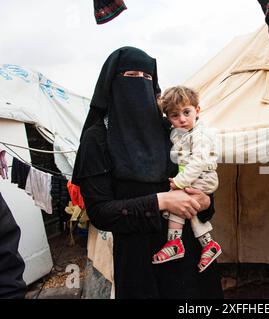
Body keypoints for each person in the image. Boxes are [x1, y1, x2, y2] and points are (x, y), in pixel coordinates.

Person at [72, 47, 223, 299]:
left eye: (147, 78)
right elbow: (100, 212)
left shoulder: (172, 131)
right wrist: (161, 200)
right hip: (139, 260)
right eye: (131, 76)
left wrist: (206, 201)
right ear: (112, 84)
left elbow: (200, 185)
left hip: (188, 254)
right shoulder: (97, 139)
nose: (140, 84)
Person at [152, 86, 222, 273]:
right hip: (195, 176)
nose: (182, 119)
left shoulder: (200, 135)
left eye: (186, 112)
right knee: (187, 208)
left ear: (197, 110)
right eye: (175, 115)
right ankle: (208, 245)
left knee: (177, 199)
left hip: (202, 176)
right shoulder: (184, 134)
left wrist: (179, 182)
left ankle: (174, 242)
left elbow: (198, 162)